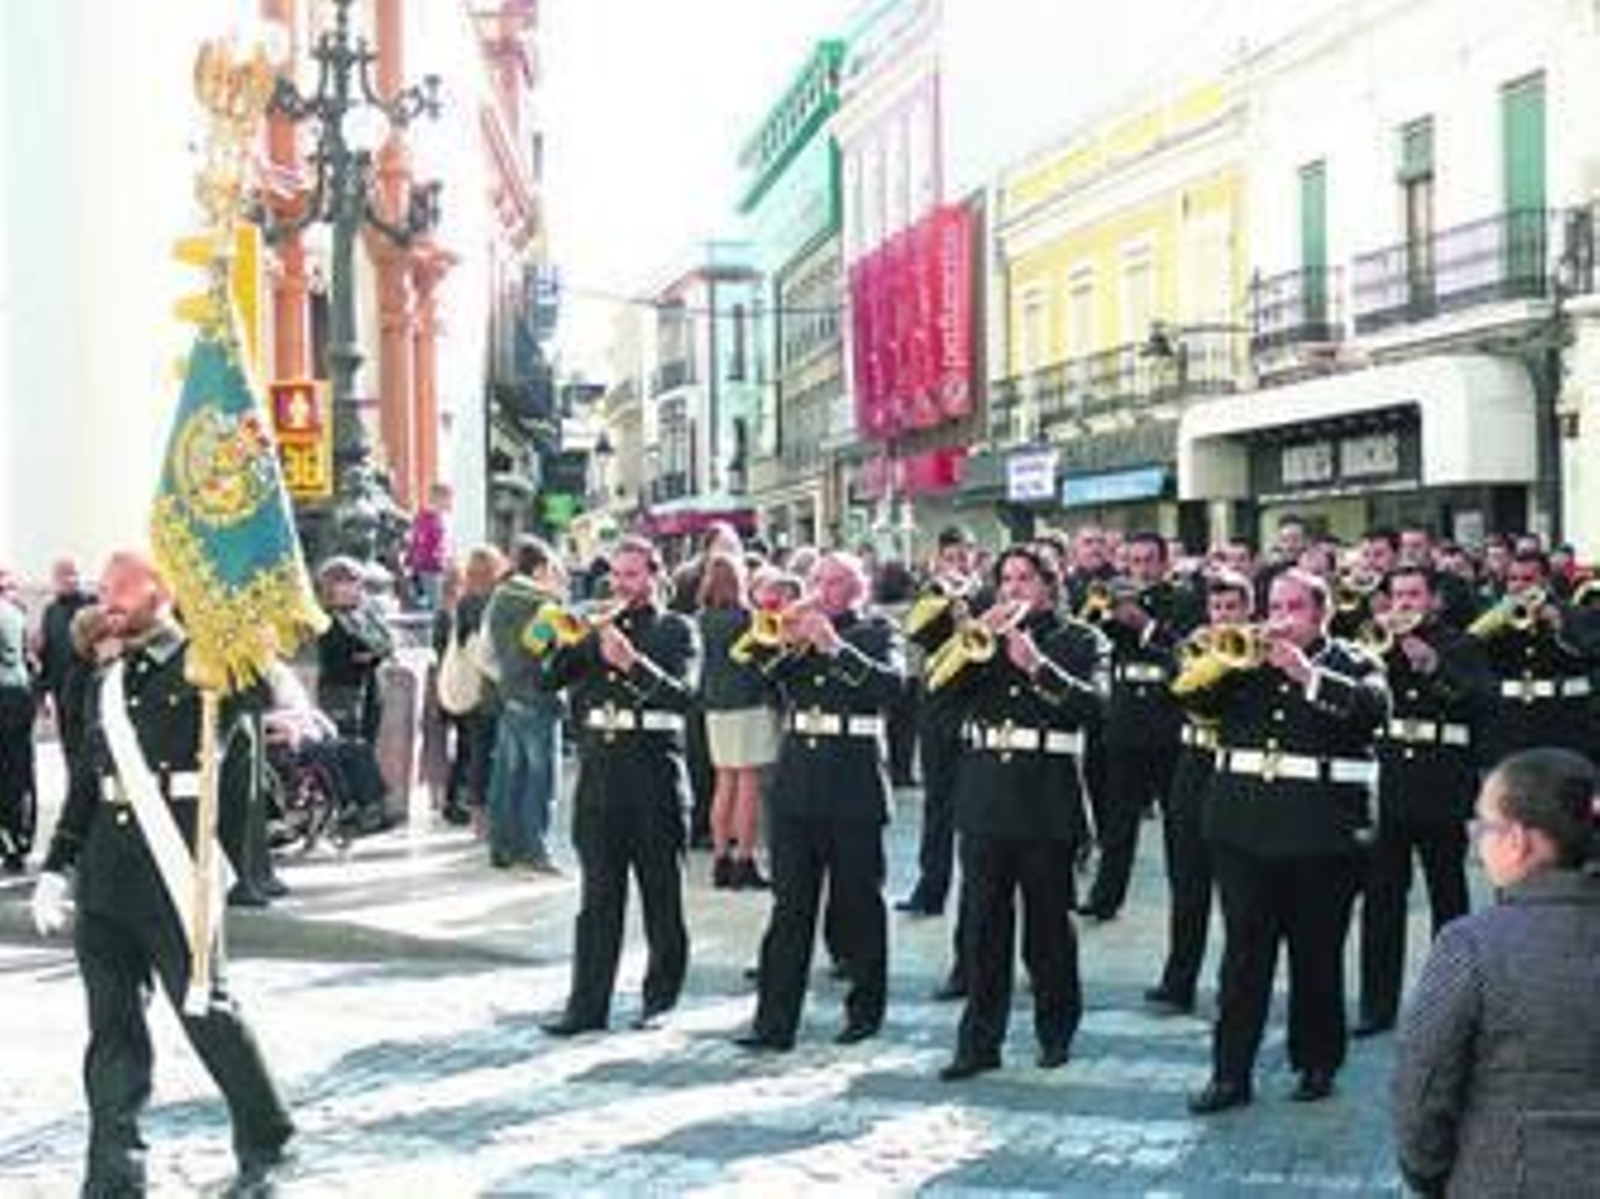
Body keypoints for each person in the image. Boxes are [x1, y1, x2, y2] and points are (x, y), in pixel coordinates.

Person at [28, 551, 294, 1196]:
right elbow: (89, 782)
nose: (109, 598)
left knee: (209, 1016)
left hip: (177, 872)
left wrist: (242, 624)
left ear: (164, 591)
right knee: (111, 1030)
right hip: (106, 879)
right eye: (105, 587)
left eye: (123, 586)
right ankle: (114, 1173)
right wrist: (58, 866)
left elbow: (266, 686)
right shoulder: (106, 678)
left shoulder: (210, 665)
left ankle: (268, 1140)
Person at [1181, 568, 1389, 1113]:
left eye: (1294, 608)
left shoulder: (1355, 660)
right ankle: (1230, 1074)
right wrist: (1217, 659)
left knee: (1316, 954)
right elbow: (1193, 702)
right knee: (1242, 957)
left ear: (1322, 614)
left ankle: (1317, 1062)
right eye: (1274, 607)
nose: (1280, 619)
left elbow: (1373, 711)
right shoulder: (1243, 659)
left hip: (1322, 833)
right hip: (1242, 827)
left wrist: (1306, 674)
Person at [927, 544, 1107, 1080]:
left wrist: (1038, 668)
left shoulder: (1080, 639)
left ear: (1049, 585)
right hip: (985, 796)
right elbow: (937, 698)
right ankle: (978, 1043)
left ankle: (1056, 1033)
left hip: (1047, 798)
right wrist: (967, 646)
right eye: (1005, 579)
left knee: (1048, 928)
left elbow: (1096, 709)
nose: (1013, 589)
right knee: (983, 928)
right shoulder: (980, 641)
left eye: (1025, 578)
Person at [1391, 748, 1600, 1196]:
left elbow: (1421, 1087)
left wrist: (1430, 1174)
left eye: (1485, 826)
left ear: (1518, 839)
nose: (1477, 838)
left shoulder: (1471, 944)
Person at [736, 551, 905, 1052]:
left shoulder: (876, 632)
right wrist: (782, 640)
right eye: (816, 580)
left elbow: (890, 688)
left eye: (833, 582)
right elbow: (757, 680)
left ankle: (865, 1013)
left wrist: (833, 646)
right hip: (797, 785)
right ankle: (773, 1022)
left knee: (859, 907)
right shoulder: (796, 636)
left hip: (853, 784)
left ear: (858, 589)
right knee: (789, 908)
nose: (820, 590)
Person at [536, 536, 699, 1035]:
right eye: (616, 575)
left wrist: (633, 664)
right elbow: (547, 680)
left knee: (661, 897)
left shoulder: (676, 629)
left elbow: (685, 697)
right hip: (601, 777)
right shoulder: (593, 626)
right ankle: (586, 1007)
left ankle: (660, 1001)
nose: (621, 584)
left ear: (654, 575)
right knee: (598, 902)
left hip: (653, 776)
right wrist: (566, 640)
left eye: (632, 574)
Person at [1354, 565, 1495, 1038]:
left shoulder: (1462, 645)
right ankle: (1376, 1005)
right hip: (1391, 782)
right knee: (1381, 899)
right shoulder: (1376, 645)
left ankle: (1452, 1003)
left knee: (1448, 898)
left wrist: (1434, 667)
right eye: (1397, 595)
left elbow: (1481, 703)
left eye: (1414, 594)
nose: (1404, 604)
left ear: (1435, 600)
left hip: (1441, 783)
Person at [1146, 569, 1254, 1015]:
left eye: (1232, 607)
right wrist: (1195, 658)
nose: (1223, 616)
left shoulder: (1255, 652)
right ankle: (1178, 981)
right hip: (1192, 768)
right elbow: (1170, 696)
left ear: (1248, 610)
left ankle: (1236, 986)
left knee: (1238, 892)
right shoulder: (1191, 648)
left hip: (1235, 772)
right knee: (1187, 883)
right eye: (1217, 607)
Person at [1083, 531, 1201, 921]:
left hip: (1168, 720)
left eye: (1149, 560)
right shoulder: (1114, 598)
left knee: (1178, 826)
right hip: (1125, 722)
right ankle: (1105, 898)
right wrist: (1102, 612)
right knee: (1118, 822)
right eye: (1133, 561)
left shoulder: (1184, 600)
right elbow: (1087, 638)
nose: (1141, 569)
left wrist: (1145, 624)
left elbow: (1186, 651)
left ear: (1165, 563)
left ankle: (1185, 903)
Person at [898, 525, 984, 917]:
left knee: (974, 810)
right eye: (950, 558)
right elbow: (915, 635)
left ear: (975, 556)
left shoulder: (988, 596)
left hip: (975, 710)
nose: (958, 564)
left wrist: (969, 612)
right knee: (937, 805)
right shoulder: (930, 597)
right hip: (937, 709)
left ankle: (975, 892)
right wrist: (942, 601)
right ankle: (930, 890)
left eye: (963, 556)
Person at [481, 536, 567, 872]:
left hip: (510, 697)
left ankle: (502, 847)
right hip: (541, 698)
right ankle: (535, 850)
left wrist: (506, 680)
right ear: (541, 568)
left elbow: (485, 653)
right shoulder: (547, 604)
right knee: (540, 780)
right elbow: (551, 651)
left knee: (507, 776)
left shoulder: (499, 597)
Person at [695, 552, 778, 889]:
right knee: (748, 784)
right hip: (749, 703)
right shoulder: (748, 619)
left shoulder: (701, 619)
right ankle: (744, 860)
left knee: (724, 782)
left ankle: (720, 859)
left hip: (715, 707)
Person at [314, 557, 394, 744]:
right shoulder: (326, 618)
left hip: (369, 689)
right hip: (340, 691)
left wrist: (374, 654)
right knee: (345, 743)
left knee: (367, 741)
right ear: (330, 586)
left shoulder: (364, 614)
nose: (353, 587)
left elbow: (387, 644)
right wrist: (372, 655)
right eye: (345, 581)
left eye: (355, 581)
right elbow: (346, 655)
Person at [33, 556, 97, 764]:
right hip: (61, 690)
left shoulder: (93, 604)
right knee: (69, 744)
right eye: (62, 575)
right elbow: (47, 654)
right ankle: (74, 783)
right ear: (54, 580)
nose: (69, 579)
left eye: (72, 573)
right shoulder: (50, 611)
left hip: (90, 686)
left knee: (92, 743)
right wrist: (40, 694)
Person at [0, 566, 37, 871]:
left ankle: (9, 840)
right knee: (21, 770)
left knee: (7, 773)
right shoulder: (15, 613)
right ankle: (20, 839)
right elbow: (28, 656)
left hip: (6, 694)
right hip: (19, 695)